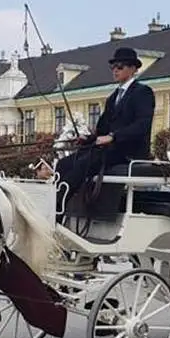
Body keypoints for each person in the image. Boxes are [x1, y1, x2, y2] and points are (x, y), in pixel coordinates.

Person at [54, 47, 155, 221]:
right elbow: (102, 130)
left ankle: (58, 205)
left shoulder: (142, 92)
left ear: (133, 68)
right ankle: (62, 209)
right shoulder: (112, 97)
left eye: (120, 67)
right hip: (108, 149)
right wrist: (87, 139)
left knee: (84, 164)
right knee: (64, 164)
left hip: (128, 151)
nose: (115, 70)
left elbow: (142, 125)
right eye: (113, 67)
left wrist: (113, 136)